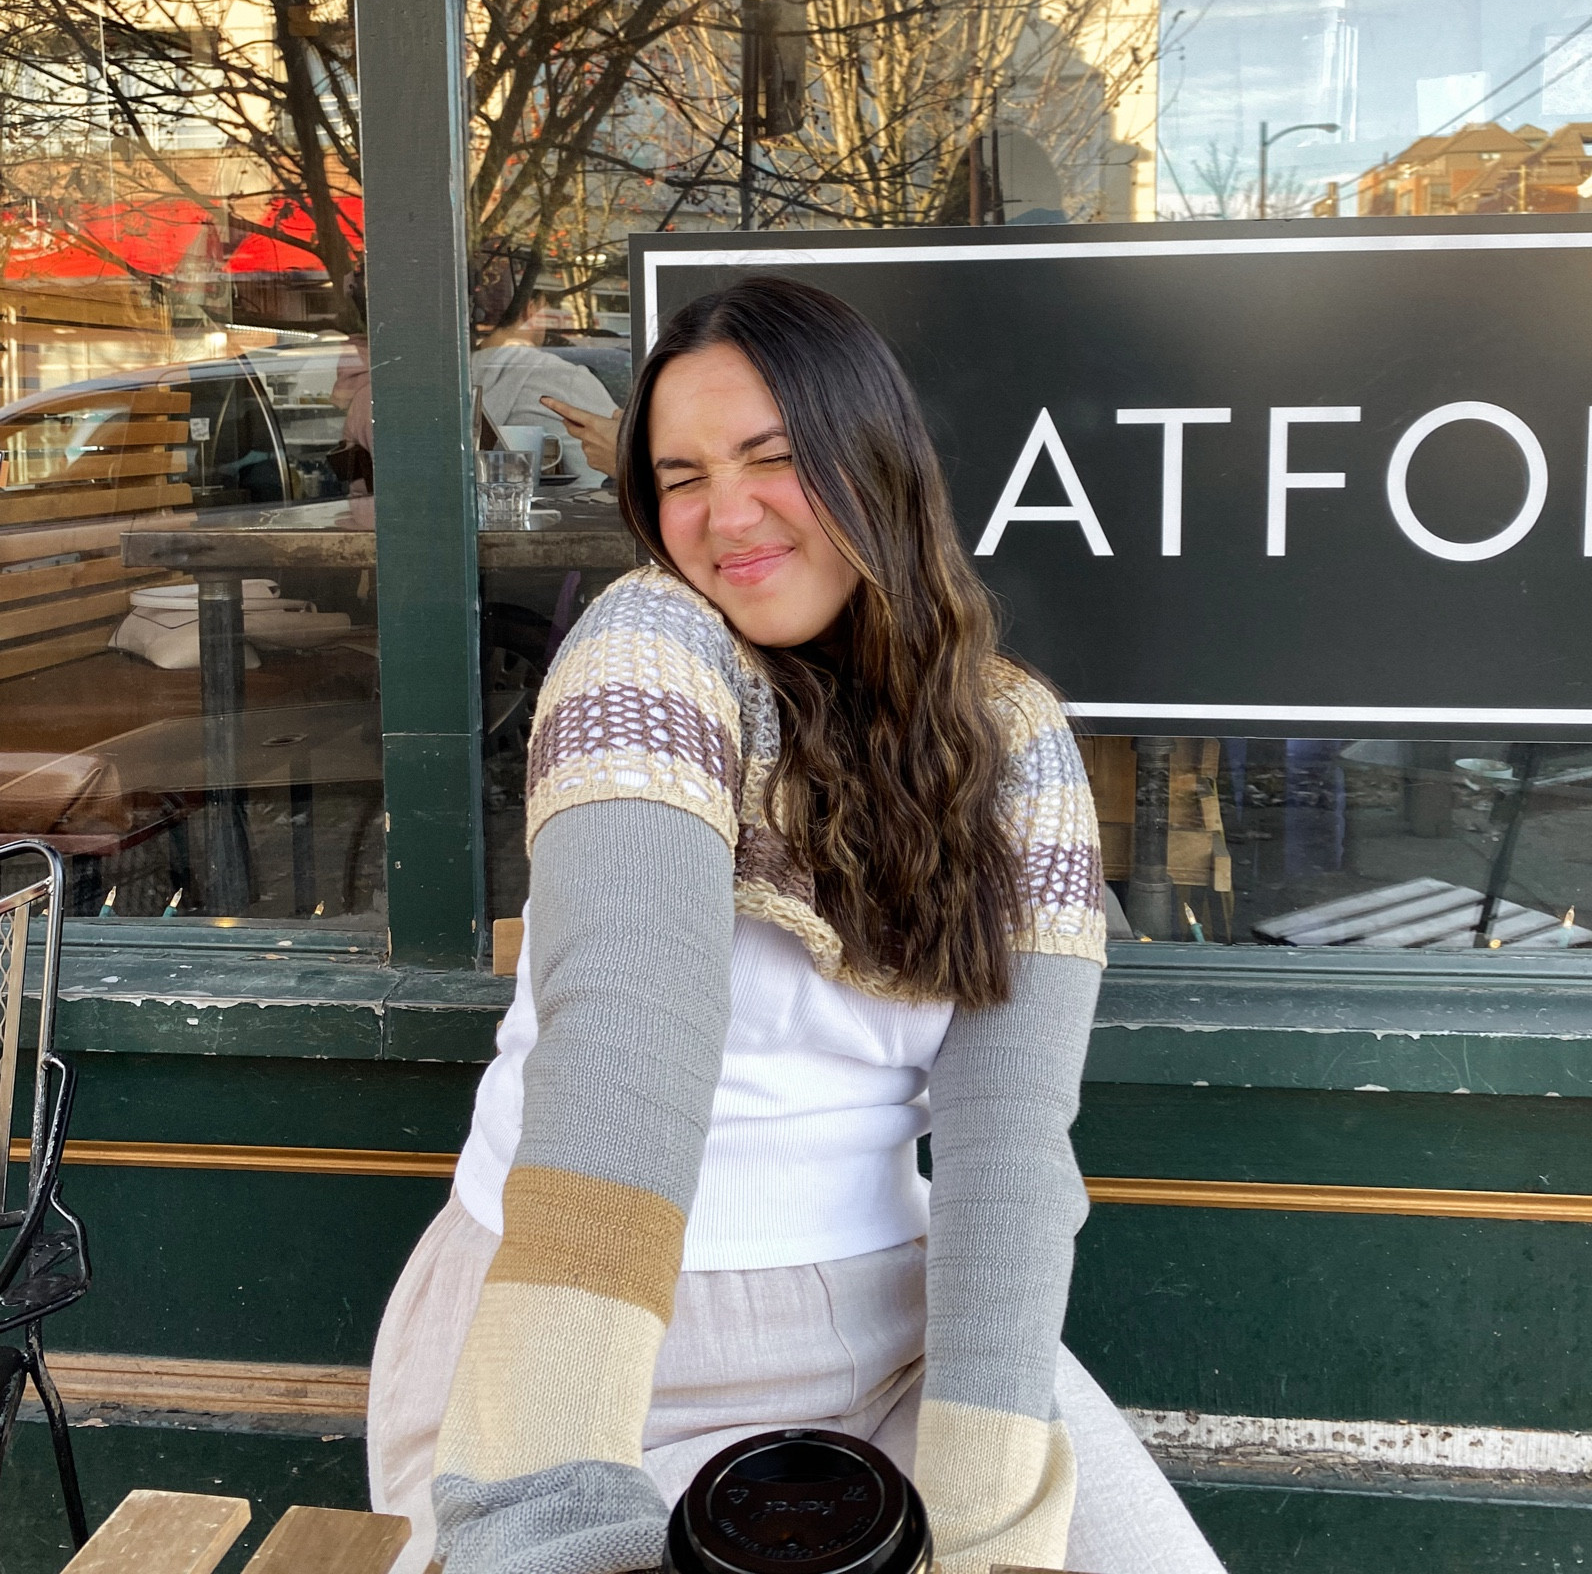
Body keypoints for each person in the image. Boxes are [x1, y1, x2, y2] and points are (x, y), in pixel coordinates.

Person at [366, 277, 1226, 1574]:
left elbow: (1006, 1144)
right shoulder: (645, 643)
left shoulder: (1014, 743)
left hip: (898, 1334)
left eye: (773, 461)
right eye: (680, 477)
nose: (724, 518)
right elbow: (625, 1041)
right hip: (594, 1356)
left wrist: (984, 1526)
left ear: (872, 464)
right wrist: (545, 1505)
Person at [470, 295, 621, 487]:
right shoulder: (567, 378)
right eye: (546, 308)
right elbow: (619, 471)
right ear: (530, 309)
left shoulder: (452, 381)